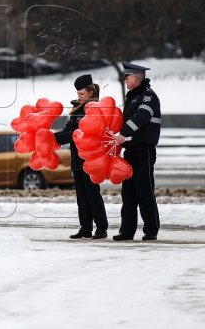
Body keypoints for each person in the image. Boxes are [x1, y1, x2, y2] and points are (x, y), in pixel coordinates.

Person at [54, 74, 109, 239]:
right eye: (78, 93)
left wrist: (59, 138)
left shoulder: (94, 109)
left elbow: (78, 133)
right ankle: (85, 227)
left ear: (90, 93)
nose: (79, 96)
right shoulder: (77, 110)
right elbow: (68, 130)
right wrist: (52, 137)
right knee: (81, 195)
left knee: (92, 194)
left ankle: (101, 228)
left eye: (82, 94)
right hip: (77, 158)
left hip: (90, 158)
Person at [113, 62, 161, 241]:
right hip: (131, 151)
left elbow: (141, 117)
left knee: (145, 192)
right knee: (128, 194)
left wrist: (123, 133)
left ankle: (150, 230)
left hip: (143, 152)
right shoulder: (132, 96)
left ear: (134, 78)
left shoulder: (148, 96)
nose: (124, 81)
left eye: (126, 78)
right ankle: (126, 231)